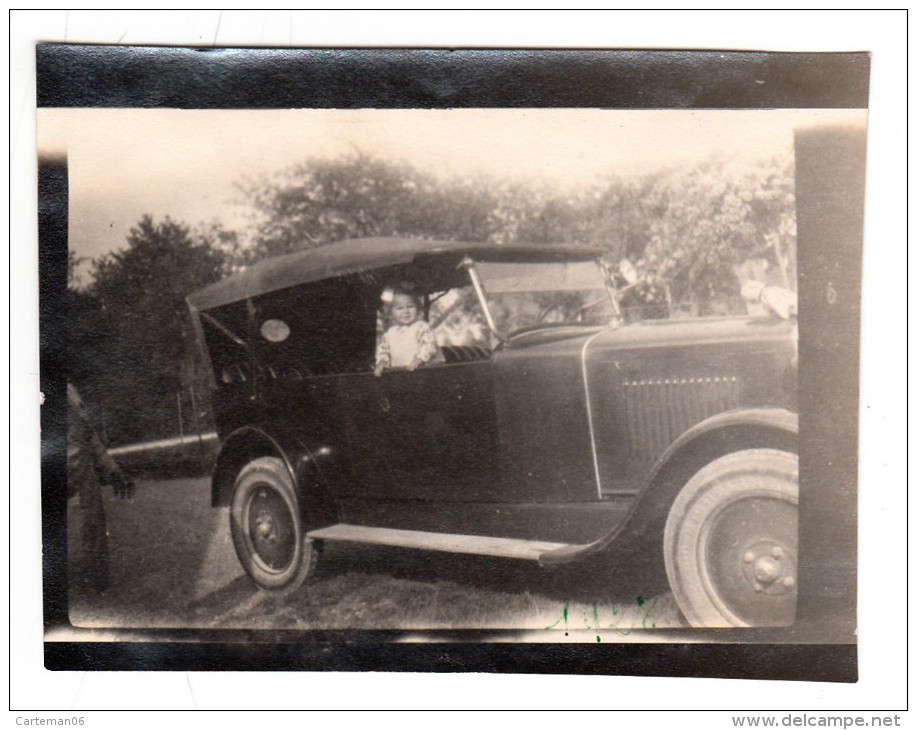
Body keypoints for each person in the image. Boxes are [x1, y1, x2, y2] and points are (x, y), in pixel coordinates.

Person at [67, 381, 134, 594]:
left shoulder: (68, 390)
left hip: (80, 474)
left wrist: (113, 470)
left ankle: (96, 582)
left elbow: (87, 434)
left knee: (92, 525)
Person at [374, 284, 442, 376]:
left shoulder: (422, 327)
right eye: (399, 308)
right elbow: (383, 350)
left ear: (418, 309)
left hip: (423, 371)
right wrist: (382, 362)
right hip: (401, 372)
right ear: (390, 313)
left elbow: (429, 345)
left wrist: (420, 358)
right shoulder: (390, 333)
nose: (405, 311)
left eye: (410, 306)